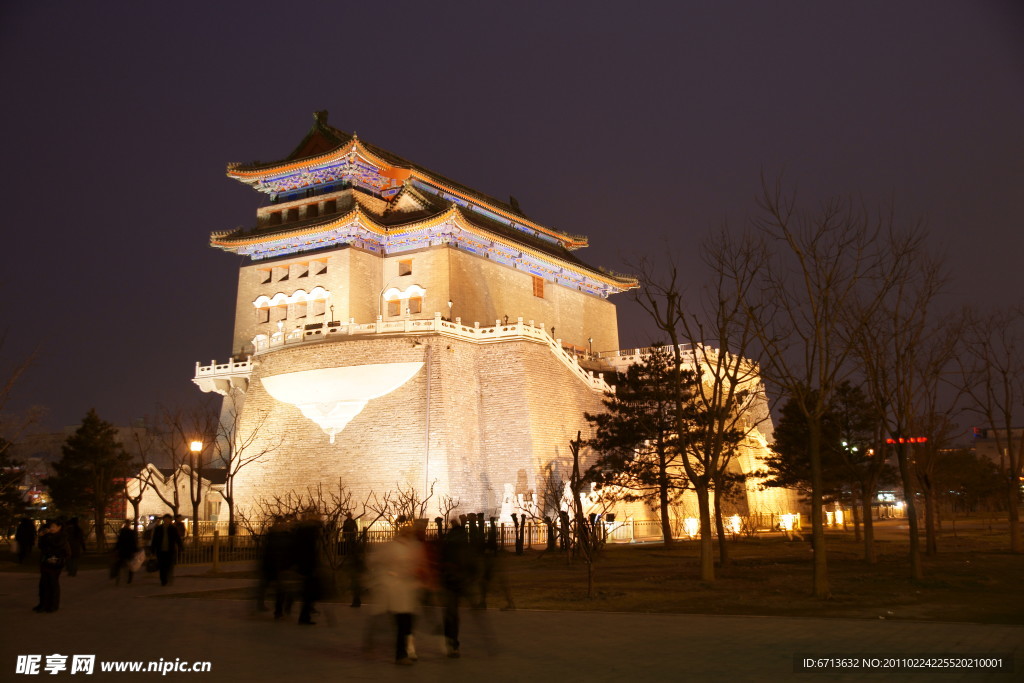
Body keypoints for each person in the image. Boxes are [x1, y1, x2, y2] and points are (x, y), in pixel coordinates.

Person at [371, 524, 428, 665]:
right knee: (402, 624)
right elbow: (377, 560)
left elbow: (419, 565)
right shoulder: (393, 547)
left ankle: (408, 650)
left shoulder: (413, 546)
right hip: (398, 591)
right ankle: (401, 654)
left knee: (407, 624)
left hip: (409, 591)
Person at [35, 520, 70, 613]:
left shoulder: (62, 536)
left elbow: (56, 544)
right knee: (43, 584)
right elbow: (41, 546)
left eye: (53, 526)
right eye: (50, 526)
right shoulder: (47, 536)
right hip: (45, 561)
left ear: (59, 527)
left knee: (52, 583)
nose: (51, 528)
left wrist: (47, 536)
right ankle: (42, 604)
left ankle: (53, 605)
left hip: (56, 563)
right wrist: (41, 537)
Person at [150, 514, 183, 586]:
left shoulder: (173, 529)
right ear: (163, 520)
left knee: (168, 565)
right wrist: (152, 550)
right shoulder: (158, 529)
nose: (167, 520)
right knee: (162, 565)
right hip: (160, 550)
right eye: (165, 519)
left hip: (170, 550)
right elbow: (155, 540)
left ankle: (167, 578)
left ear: (170, 520)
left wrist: (181, 546)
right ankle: (163, 580)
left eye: (168, 519)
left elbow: (177, 538)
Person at [112, 520, 139, 585]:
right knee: (127, 564)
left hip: (125, 550)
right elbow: (133, 542)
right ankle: (128, 578)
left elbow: (120, 541)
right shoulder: (127, 532)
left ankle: (125, 577)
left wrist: (116, 548)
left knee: (123, 564)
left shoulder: (124, 532)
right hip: (126, 550)